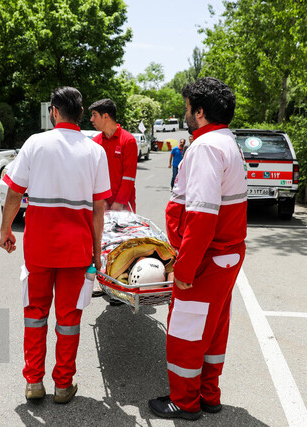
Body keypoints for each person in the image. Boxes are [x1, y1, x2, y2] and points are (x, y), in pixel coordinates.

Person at [0, 86, 110, 404]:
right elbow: (98, 208)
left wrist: (6, 229)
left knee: (34, 314)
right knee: (69, 318)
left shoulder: (35, 143)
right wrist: (97, 252)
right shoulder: (94, 151)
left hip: (39, 249)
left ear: (54, 111)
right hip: (77, 250)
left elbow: (14, 192)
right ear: (78, 113)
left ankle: (34, 382)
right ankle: (63, 384)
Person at [149, 77, 247, 421]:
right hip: (224, 256)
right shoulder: (225, 142)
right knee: (214, 327)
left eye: (188, 108)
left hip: (205, 259)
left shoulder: (205, 147)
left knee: (187, 332)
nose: (185, 113)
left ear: (200, 112)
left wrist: (184, 268)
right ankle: (208, 394)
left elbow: (202, 215)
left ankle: (185, 401)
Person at [89, 98, 137, 212]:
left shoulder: (128, 140)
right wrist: (101, 200)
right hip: (101, 205)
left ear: (105, 116)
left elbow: (129, 176)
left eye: (94, 115)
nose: (91, 119)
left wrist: (119, 202)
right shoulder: (95, 142)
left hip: (123, 205)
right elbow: (93, 175)